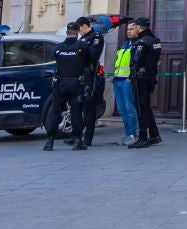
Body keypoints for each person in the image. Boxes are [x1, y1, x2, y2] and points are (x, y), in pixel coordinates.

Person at [44, 18, 95, 152]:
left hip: (60, 83)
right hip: (76, 83)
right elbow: (89, 62)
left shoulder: (58, 48)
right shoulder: (82, 47)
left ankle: (49, 141)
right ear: (78, 32)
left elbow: (56, 60)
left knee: (55, 112)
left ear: (67, 32)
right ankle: (77, 140)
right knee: (76, 112)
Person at [127, 16, 162, 147]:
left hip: (140, 78)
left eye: (135, 26)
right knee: (146, 106)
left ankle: (143, 137)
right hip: (150, 77)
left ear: (139, 27)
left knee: (141, 107)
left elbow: (137, 60)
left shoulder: (142, 42)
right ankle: (154, 134)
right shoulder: (155, 40)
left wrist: (132, 74)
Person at [76, 18, 106, 148]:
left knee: (89, 108)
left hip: (91, 76)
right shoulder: (81, 38)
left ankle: (88, 138)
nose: (78, 31)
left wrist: (81, 52)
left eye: (79, 29)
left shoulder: (96, 36)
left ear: (84, 26)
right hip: (80, 75)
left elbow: (93, 55)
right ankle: (76, 136)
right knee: (78, 106)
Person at [110, 20, 140, 146]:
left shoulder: (138, 44)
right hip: (117, 80)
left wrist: (130, 78)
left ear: (138, 29)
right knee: (122, 110)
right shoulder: (124, 44)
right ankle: (128, 134)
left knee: (130, 109)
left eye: (132, 29)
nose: (129, 31)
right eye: (128, 29)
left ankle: (134, 134)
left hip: (127, 81)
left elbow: (137, 62)